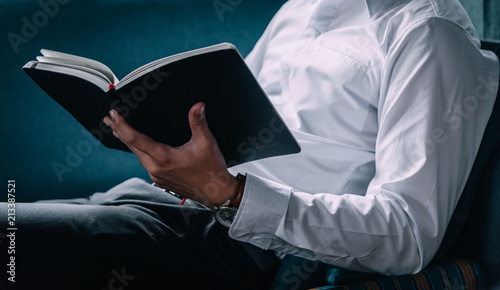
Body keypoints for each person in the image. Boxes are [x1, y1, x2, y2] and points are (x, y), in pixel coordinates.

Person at [2, 0, 499, 289]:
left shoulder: (427, 33)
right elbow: (230, 123)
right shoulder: (301, 8)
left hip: (241, 246)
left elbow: (407, 234)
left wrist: (228, 196)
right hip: (160, 201)